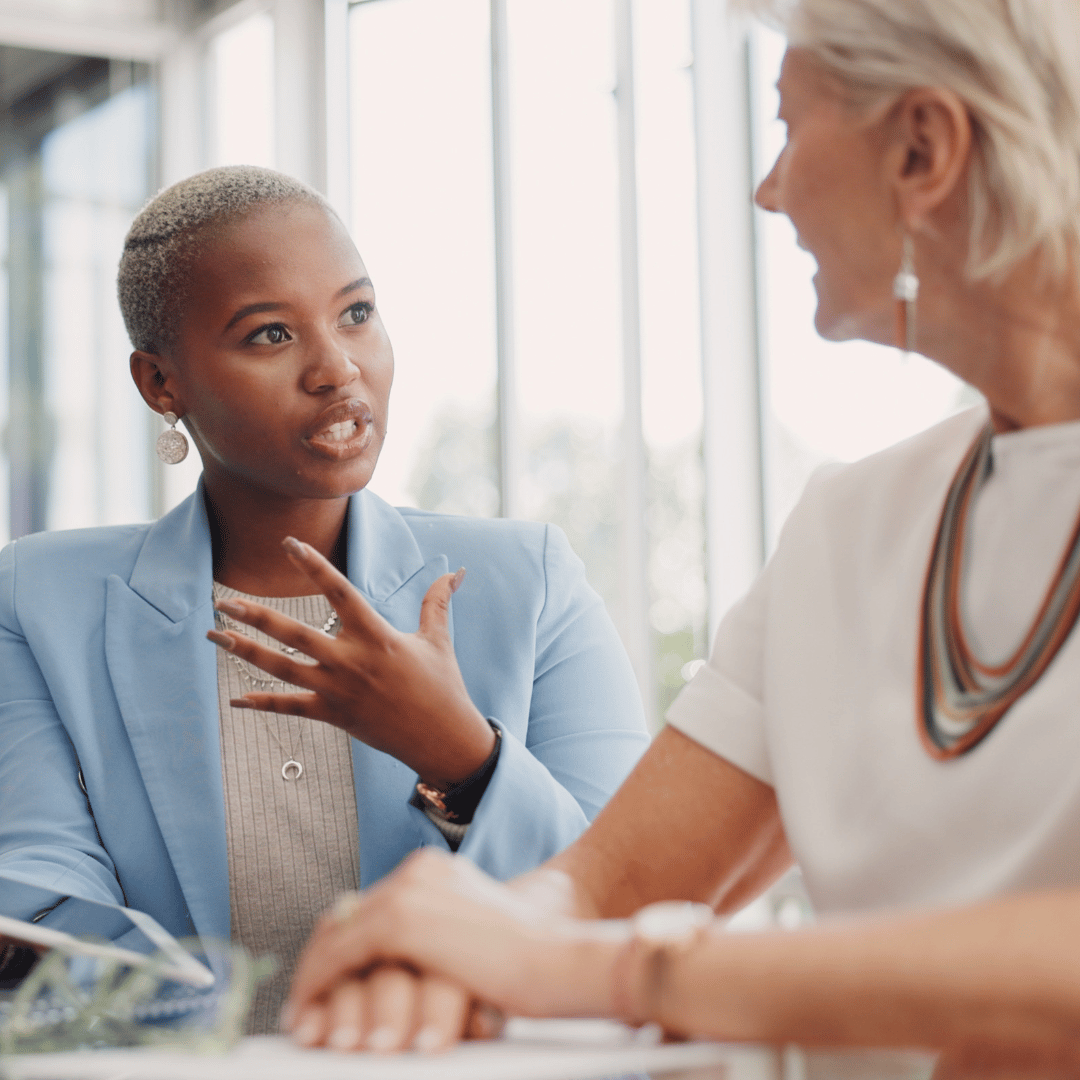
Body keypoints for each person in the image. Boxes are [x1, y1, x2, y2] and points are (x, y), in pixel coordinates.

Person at [278, 0, 1080, 1065]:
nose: (768, 189)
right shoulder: (851, 525)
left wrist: (614, 971)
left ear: (924, 148)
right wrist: (453, 946)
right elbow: (612, 882)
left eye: (789, 128)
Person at [0, 165, 649, 1034]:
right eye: (270, 335)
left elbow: (630, 908)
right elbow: (43, 909)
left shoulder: (528, 582)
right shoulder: (39, 601)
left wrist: (464, 758)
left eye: (357, 313)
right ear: (162, 384)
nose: (338, 367)